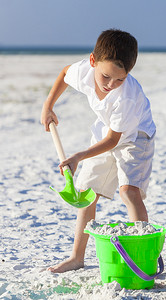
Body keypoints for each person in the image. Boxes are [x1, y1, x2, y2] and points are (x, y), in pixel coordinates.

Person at [41, 29, 156, 273]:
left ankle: (142, 256)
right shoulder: (84, 71)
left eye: (120, 79)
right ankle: (77, 258)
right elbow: (64, 74)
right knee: (86, 193)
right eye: (105, 77)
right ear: (93, 61)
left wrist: (78, 156)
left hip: (137, 136)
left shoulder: (125, 97)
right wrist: (48, 106)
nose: (111, 85)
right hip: (107, 131)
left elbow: (114, 141)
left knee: (129, 192)